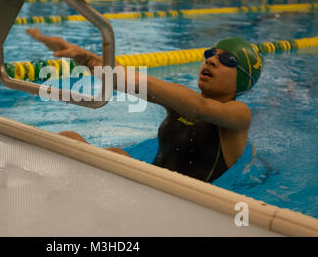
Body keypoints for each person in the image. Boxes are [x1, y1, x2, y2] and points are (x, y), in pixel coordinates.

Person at [25, 28, 264, 183]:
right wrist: (83, 56)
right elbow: (119, 80)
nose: (211, 60)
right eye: (211, 53)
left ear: (242, 79)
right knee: (69, 138)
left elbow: (198, 108)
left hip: (186, 202)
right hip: (148, 186)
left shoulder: (239, 115)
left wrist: (135, 77)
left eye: (226, 60)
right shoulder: (180, 102)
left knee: (106, 158)